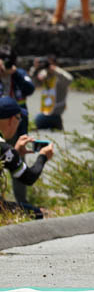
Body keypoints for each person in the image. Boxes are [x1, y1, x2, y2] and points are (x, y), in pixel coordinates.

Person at [0, 97, 54, 219]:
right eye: (19, 119)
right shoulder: (4, 149)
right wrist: (43, 156)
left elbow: (4, 159)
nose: (19, 124)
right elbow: (29, 177)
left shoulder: (6, 150)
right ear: (11, 120)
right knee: (37, 213)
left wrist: (15, 152)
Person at [0, 44, 35, 206]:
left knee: (18, 164)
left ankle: (22, 203)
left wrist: (15, 74)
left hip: (17, 128)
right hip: (2, 130)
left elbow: (30, 89)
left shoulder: (18, 75)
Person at [29, 56, 74, 131]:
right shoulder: (45, 76)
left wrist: (55, 69)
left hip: (55, 114)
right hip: (45, 113)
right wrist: (35, 68)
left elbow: (69, 79)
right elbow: (31, 84)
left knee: (32, 126)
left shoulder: (59, 79)